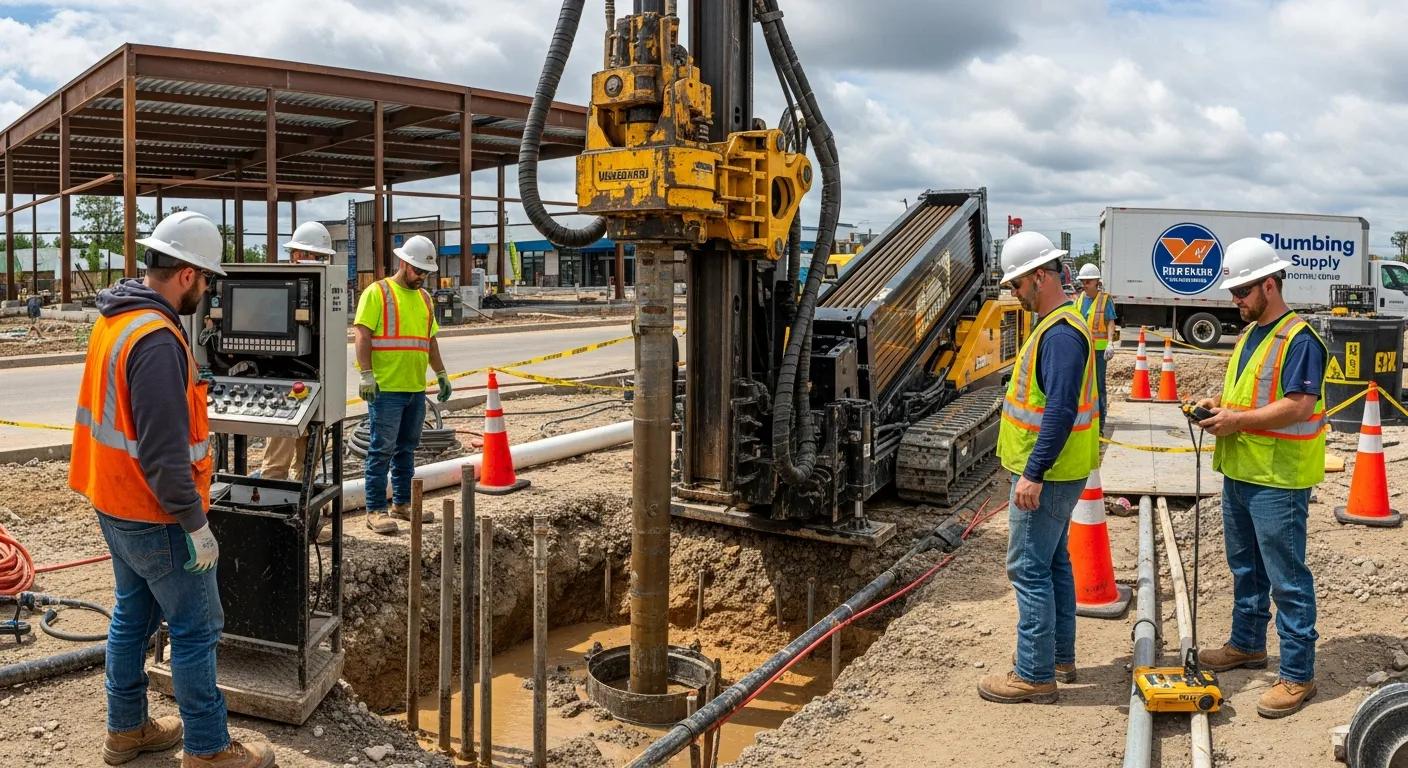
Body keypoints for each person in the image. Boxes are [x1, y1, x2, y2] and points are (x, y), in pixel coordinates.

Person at [68, 211, 275, 768]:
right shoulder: (157, 340)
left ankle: (127, 729)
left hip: (112, 500)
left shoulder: (117, 319)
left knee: (132, 616)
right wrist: (196, 524)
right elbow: (164, 455)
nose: (206, 291)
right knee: (196, 627)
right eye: (206, 279)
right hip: (154, 512)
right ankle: (208, 749)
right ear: (185, 274)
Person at [1194, 237, 1326, 719]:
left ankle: (1297, 674)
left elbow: (1298, 405)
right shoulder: (1252, 335)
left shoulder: (1300, 339)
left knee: (1286, 577)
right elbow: (1251, 394)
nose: (1236, 301)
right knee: (1246, 568)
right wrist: (1217, 406)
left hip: (1278, 478)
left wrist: (1236, 421)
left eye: (1242, 292)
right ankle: (1247, 644)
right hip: (1242, 471)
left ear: (1269, 285)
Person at [979, 230, 1100, 705]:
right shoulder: (1059, 326)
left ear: (1040, 276)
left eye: (1016, 284)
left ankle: (1033, 673)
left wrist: (1033, 472)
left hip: (1047, 474)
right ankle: (1059, 659)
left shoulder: (1062, 334)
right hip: (1058, 469)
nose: (1014, 293)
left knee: (1028, 568)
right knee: (1053, 564)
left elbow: (1060, 410)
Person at [353, 235, 453, 534]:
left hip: (414, 388)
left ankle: (402, 503)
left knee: (407, 448)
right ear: (404, 263)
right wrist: (366, 374)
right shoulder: (378, 292)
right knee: (381, 449)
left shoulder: (424, 298)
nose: (422, 277)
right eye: (418, 271)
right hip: (386, 389)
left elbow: (429, 340)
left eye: (426, 273)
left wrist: (441, 373)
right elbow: (362, 335)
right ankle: (375, 509)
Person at [257, 222, 337, 543]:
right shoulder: (278, 290)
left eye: (321, 258)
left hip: (315, 387)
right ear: (297, 256)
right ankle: (271, 526)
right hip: (286, 391)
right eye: (312, 256)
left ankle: (303, 524)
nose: (318, 263)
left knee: (308, 462)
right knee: (276, 462)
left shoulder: (325, 291)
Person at [1076, 262, 1117, 425]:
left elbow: (1110, 323)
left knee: (1099, 385)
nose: (1084, 285)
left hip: (1099, 352)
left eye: (1088, 282)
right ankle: (1084, 419)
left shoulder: (1105, 300)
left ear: (1096, 282)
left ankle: (1100, 422)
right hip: (1082, 351)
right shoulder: (1079, 300)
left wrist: (1110, 343)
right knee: (1082, 385)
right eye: (1083, 282)